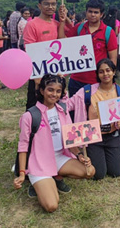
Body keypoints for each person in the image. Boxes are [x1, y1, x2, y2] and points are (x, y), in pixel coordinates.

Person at [13, 75, 95, 212]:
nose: (54, 94)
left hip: (59, 157)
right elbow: (23, 147)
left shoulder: (62, 110)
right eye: (50, 90)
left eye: (58, 91)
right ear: (42, 91)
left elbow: (70, 137)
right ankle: (37, 181)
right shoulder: (30, 116)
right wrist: (22, 173)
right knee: (51, 206)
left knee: (90, 171)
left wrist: (80, 155)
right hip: (39, 163)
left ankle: (55, 176)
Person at [67, 59, 120, 180]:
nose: (105, 74)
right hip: (93, 138)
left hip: (113, 136)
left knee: (116, 172)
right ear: (97, 74)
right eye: (101, 71)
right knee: (99, 174)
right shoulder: (87, 91)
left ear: (114, 72)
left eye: (108, 70)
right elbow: (68, 105)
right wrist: (61, 92)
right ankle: (83, 157)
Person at [61, 0, 118, 97]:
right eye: (90, 11)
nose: (92, 14)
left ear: (102, 15)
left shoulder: (108, 32)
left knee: (95, 111)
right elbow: (63, 42)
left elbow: (113, 58)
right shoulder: (79, 28)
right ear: (86, 12)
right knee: (76, 111)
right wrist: (62, 21)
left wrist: (109, 78)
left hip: (97, 80)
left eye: (96, 12)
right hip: (77, 79)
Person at [23, 0, 67, 109]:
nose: (50, 7)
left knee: (54, 108)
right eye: (46, 4)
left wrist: (63, 21)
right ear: (39, 5)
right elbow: (30, 51)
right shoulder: (32, 25)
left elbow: (62, 43)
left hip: (55, 72)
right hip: (39, 73)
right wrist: (37, 78)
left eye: (53, 4)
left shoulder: (57, 23)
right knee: (35, 108)